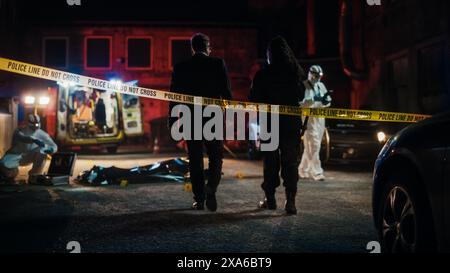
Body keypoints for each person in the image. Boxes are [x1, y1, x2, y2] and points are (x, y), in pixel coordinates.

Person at [168, 33, 232, 212]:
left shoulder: (181, 67)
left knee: (195, 159)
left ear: (193, 48)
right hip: (214, 117)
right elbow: (227, 94)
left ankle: (200, 199)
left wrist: (172, 120)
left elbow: (174, 98)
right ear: (208, 47)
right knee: (216, 156)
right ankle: (211, 188)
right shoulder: (218, 64)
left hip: (191, 117)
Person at [249, 36, 306, 215]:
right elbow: (301, 96)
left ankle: (270, 199)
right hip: (290, 123)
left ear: (270, 55)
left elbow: (254, 98)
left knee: (270, 162)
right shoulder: (294, 72)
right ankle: (291, 201)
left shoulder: (263, 74)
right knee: (290, 162)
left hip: (269, 123)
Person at [0, 114, 58, 183]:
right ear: (28, 123)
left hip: (29, 156)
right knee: (6, 168)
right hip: (15, 156)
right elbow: (23, 138)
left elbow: (53, 145)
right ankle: (9, 173)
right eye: (33, 124)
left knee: (42, 151)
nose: (35, 126)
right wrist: (34, 140)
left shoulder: (42, 134)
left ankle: (34, 175)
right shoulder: (19, 131)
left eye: (37, 124)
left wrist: (52, 150)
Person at [299, 65, 332, 181]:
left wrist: (326, 101)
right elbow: (301, 103)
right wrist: (314, 99)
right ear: (311, 74)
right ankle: (317, 172)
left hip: (320, 119)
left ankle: (303, 169)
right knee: (314, 144)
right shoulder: (304, 86)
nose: (318, 78)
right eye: (317, 76)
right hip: (308, 119)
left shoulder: (321, 85)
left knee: (311, 147)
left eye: (320, 76)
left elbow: (327, 102)